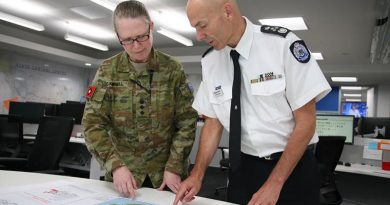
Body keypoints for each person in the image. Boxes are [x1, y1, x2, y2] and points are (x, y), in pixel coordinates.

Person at [174, 0, 331, 205]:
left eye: (202, 25)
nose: (199, 36)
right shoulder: (210, 61)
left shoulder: (282, 44)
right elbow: (213, 123)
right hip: (243, 168)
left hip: (292, 168)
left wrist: (274, 183)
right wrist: (197, 173)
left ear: (227, 12)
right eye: (195, 28)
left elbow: (307, 122)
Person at [82, 0, 198, 198]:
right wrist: (116, 166)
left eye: (142, 37)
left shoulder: (172, 69)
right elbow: (92, 124)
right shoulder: (108, 71)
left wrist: (174, 166)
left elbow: (186, 121)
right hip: (124, 179)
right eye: (127, 40)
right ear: (118, 37)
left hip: (167, 177)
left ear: (151, 27)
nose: (136, 46)